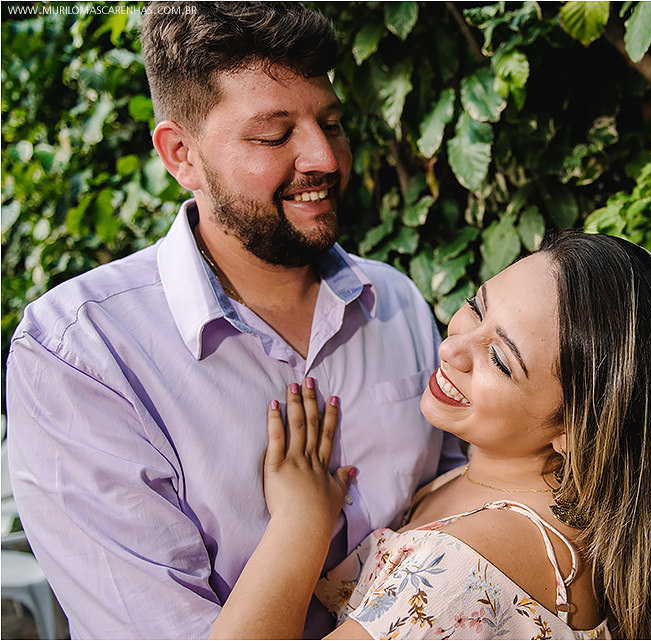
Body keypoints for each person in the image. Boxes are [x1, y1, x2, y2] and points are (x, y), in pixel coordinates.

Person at [4, 3, 464, 638]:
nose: (323, 159)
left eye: (331, 123)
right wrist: (302, 529)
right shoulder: (82, 356)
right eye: (273, 136)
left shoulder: (397, 303)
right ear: (181, 155)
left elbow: (469, 505)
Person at [209, 231, 651, 639]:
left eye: (499, 359)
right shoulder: (560, 509)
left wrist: (301, 520)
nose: (454, 349)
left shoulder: (460, 571)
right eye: (477, 306)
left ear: (577, 432)